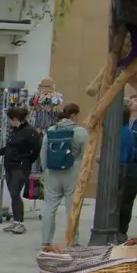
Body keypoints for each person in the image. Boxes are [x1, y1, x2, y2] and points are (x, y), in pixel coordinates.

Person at [39, 103, 88, 247]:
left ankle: (46, 240)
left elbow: (43, 154)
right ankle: (72, 239)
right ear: (73, 115)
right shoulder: (80, 132)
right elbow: (86, 155)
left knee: (49, 206)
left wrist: (45, 170)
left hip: (52, 172)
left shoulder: (51, 130)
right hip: (73, 171)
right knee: (72, 207)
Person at [0, 106, 40, 235]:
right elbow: (9, 147)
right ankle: (16, 221)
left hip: (20, 167)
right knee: (13, 194)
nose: (10, 122)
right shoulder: (16, 131)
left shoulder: (29, 132)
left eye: (10, 119)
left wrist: (27, 161)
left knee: (15, 193)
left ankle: (20, 222)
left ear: (15, 118)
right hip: (10, 166)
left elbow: (36, 149)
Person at [116, 94, 137, 236]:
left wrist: (130, 152)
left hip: (132, 169)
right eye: (131, 99)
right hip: (117, 168)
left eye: (136, 99)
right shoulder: (120, 123)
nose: (132, 101)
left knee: (126, 202)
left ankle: (122, 231)